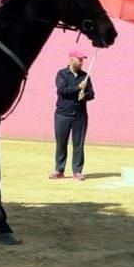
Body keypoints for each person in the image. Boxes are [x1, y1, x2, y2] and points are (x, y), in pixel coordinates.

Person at [50, 50, 94, 181]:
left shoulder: (85, 76)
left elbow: (92, 94)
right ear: (71, 60)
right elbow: (62, 91)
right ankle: (59, 169)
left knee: (78, 144)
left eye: (82, 60)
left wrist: (85, 95)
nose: (81, 62)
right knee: (61, 142)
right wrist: (78, 88)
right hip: (63, 114)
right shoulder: (62, 74)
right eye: (79, 59)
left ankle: (77, 171)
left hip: (80, 115)